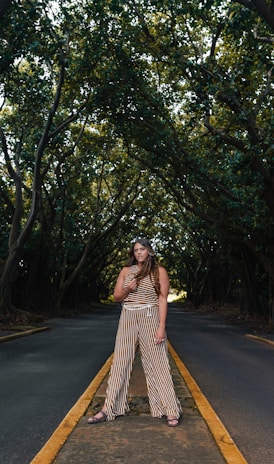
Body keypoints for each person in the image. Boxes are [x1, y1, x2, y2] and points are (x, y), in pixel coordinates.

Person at [87, 238, 182, 427]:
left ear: (149, 252)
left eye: (142, 249)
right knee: (120, 364)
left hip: (150, 317)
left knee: (159, 364)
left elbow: (162, 299)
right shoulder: (125, 271)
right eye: (136, 250)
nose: (139, 253)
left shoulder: (159, 271)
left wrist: (161, 326)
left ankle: (170, 410)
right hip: (128, 318)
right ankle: (108, 409)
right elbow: (116, 297)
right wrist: (127, 290)